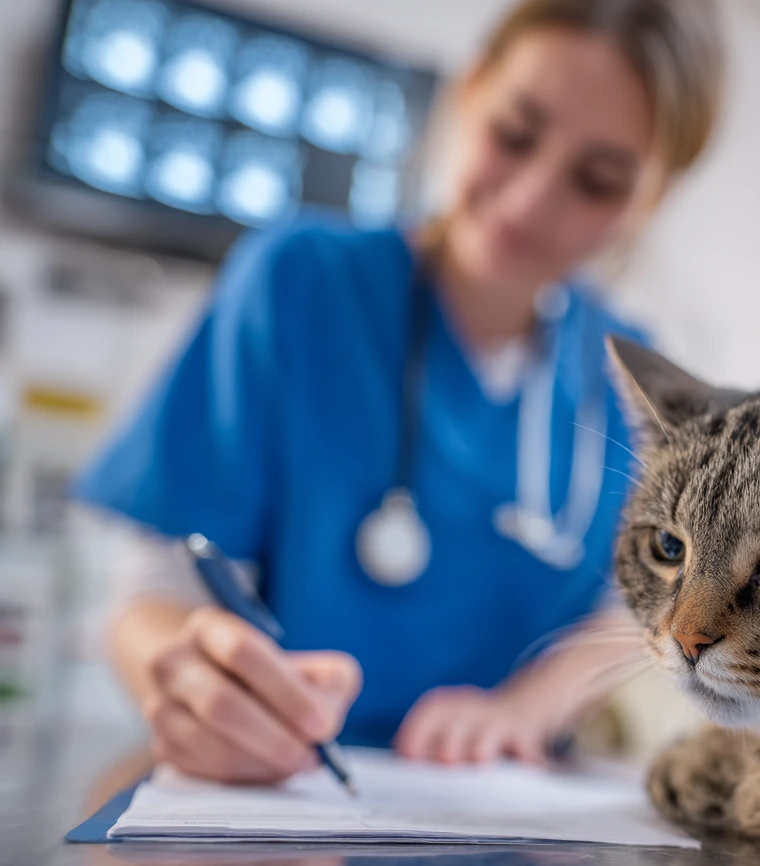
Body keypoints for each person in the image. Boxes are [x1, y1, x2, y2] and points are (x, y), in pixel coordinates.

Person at [76, 0, 724, 783]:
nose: (528, 202)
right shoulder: (300, 284)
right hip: (277, 795)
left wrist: (527, 707)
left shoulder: (635, 378)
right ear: (470, 91)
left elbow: (630, 609)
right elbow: (152, 593)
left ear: (650, 197)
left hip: (506, 834)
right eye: (514, 135)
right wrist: (186, 680)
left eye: (598, 181)